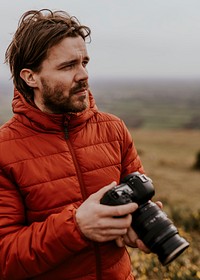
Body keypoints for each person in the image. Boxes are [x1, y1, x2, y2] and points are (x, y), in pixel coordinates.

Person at [0, 9, 150, 280]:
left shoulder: (113, 129)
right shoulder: (4, 151)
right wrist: (76, 227)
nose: (83, 75)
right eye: (68, 66)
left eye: (84, 62)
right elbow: (4, 257)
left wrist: (140, 224)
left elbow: (137, 201)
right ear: (30, 77)